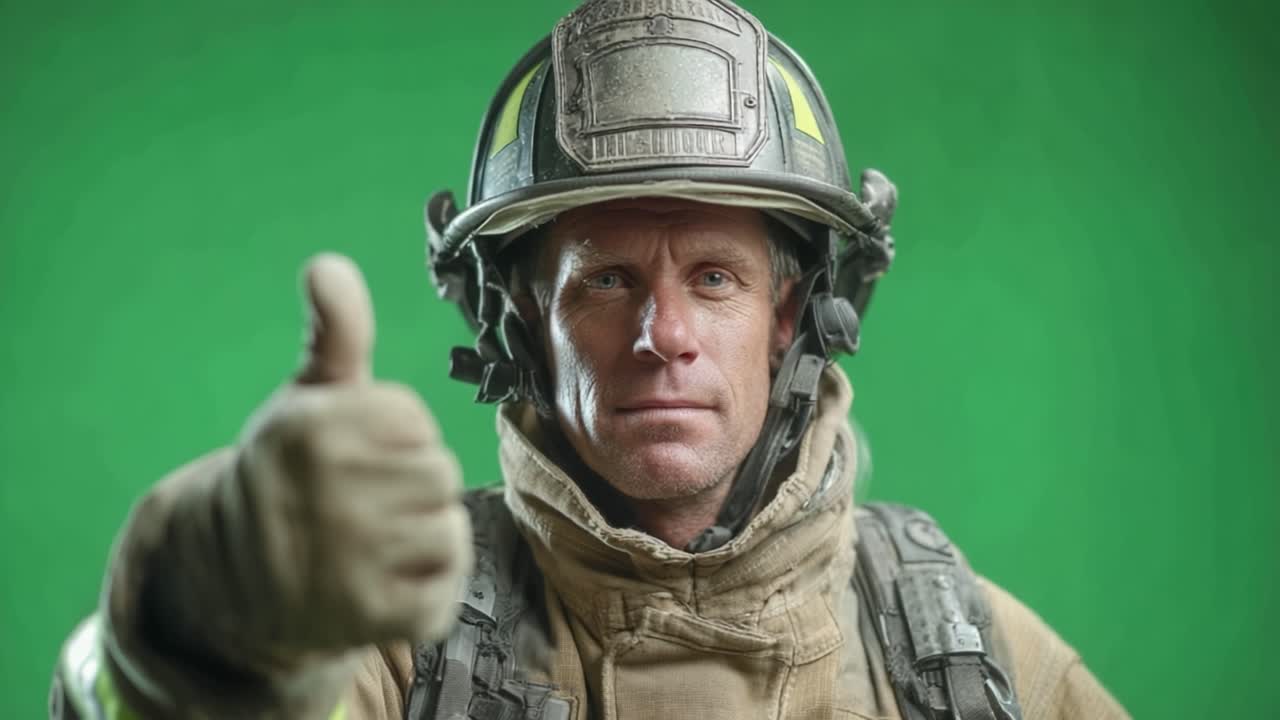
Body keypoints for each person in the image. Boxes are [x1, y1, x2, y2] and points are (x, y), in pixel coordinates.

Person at [51, 1, 1129, 718]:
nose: (664, 333)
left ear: (792, 316)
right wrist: (188, 637)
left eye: (714, 277)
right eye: (605, 280)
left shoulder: (969, 659)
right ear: (519, 319)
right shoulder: (387, 647)